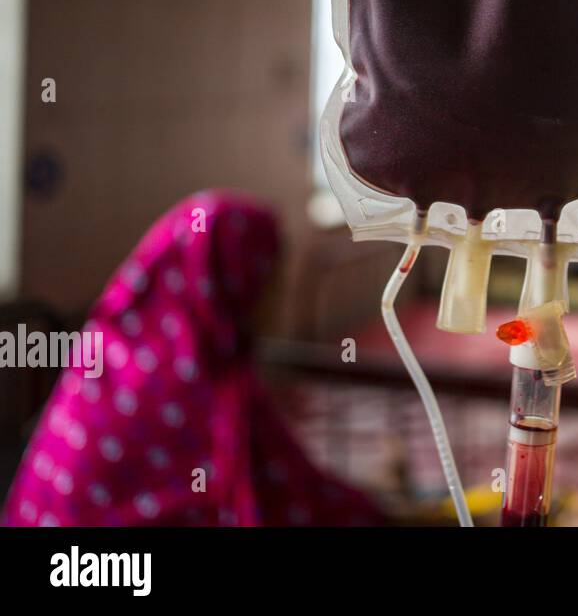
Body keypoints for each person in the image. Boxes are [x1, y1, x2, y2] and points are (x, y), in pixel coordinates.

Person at [3, 192, 386, 526]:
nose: (273, 298)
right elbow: (282, 490)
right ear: (230, 279)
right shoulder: (187, 382)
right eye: (267, 280)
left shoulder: (121, 345)